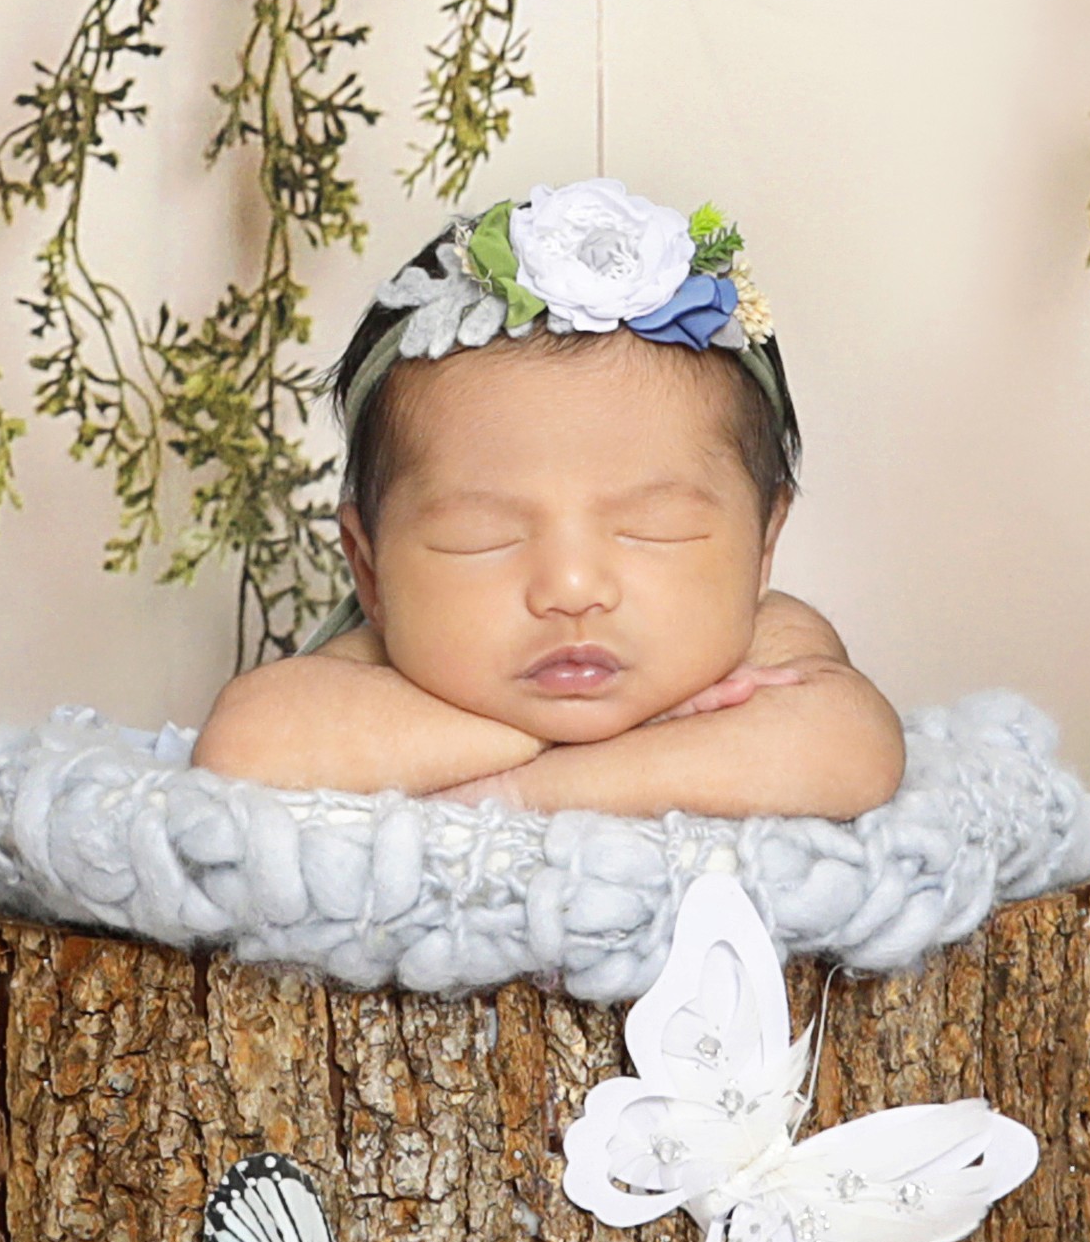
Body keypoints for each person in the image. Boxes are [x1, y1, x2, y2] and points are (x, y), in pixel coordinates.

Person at [192, 175, 906, 818]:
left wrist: (536, 787)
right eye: (481, 535)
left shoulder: (764, 635)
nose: (569, 587)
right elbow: (242, 744)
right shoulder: (377, 664)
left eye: (656, 529)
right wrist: (562, 737)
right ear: (370, 568)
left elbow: (853, 747)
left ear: (763, 545)